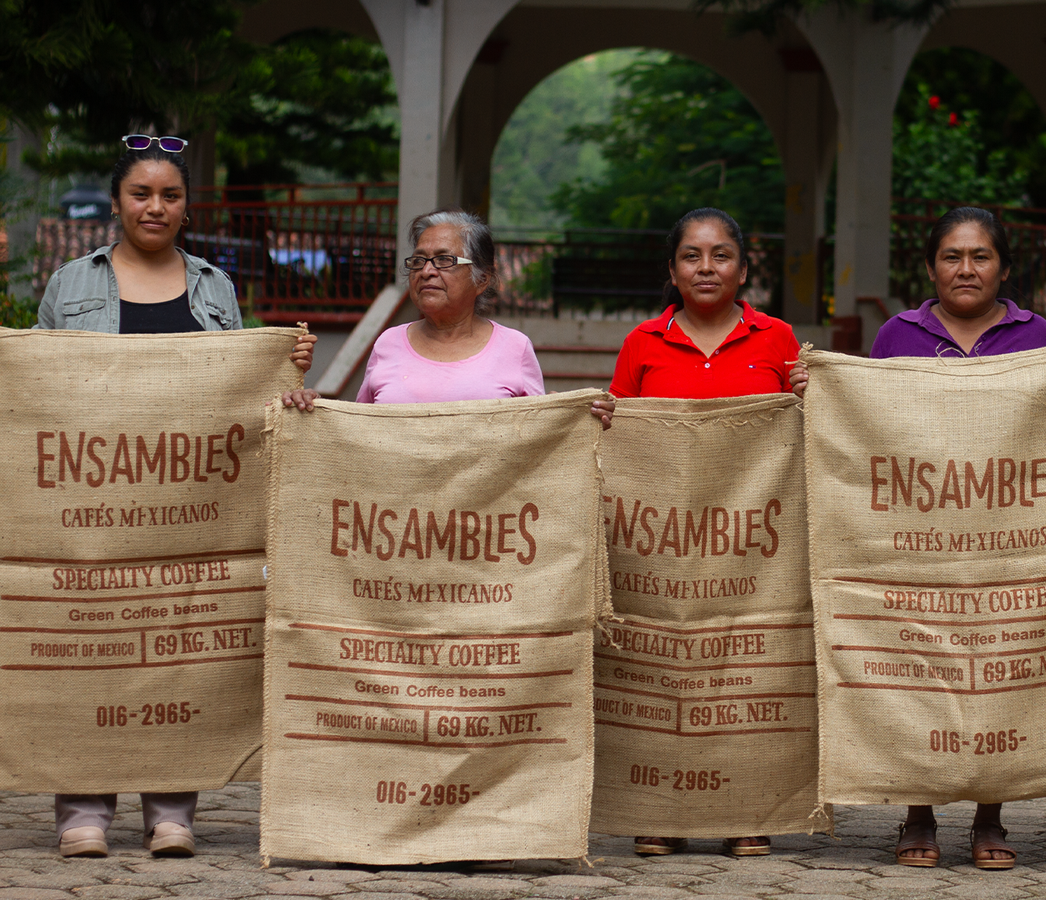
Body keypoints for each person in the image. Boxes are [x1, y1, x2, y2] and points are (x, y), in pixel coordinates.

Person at [35, 135, 317, 859]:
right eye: (141, 193)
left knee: (179, 653)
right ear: (117, 202)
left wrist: (284, 366)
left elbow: (238, 392)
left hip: (190, 509)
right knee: (91, 652)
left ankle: (171, 811)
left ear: (187, 207)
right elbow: (36, 385)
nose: (155, 206)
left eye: (169, 195)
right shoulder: (69, 285)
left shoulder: (215, 288)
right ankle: (83, 813)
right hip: (92, 507)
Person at [795, 207, 1046, 871]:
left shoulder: (1038, 335)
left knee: (1000, 670)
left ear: (1003, 267)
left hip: (1008, 540)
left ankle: (991, 819)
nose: (966, 269)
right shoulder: (898, 335)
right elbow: (866, 420)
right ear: (931, 268)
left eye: (980, 256)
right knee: (918, 670)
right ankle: (918, 813)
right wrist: (821, 391)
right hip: (915, 538)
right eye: (951, 257)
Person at [610, 207, 801, 858]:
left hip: (752, 550)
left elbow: (807, 431)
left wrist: (813, 393)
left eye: (721, 255)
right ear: (672, 270)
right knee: (659, 670)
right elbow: (619, 438)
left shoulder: (778, 339)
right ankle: (657, 812)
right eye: (691, 256)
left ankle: (749, 811)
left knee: (747, 672)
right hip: (662, 550)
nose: (706, 267)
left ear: (744, 270)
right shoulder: (642, 343)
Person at [279, 209, 614, 426]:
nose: (426, 271)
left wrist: (573, 415)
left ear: (482, 279)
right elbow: (359, 427)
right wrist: (315, 410)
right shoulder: (388, 343)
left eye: (444, 260)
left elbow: (538, 440)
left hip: (484, 514)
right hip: (398, 510)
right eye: (419, 260)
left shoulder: (514, 347)